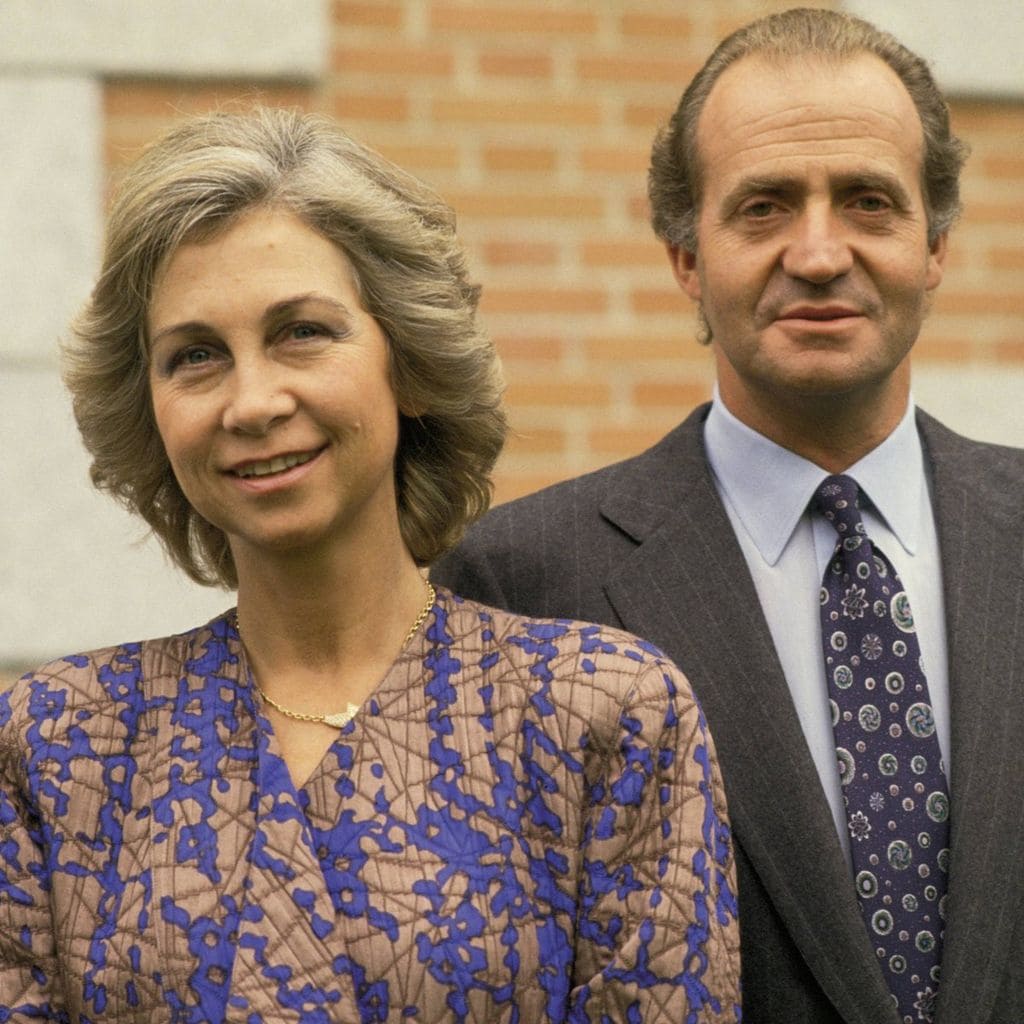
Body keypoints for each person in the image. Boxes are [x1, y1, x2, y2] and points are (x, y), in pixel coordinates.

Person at [0, 107, 741, 1021]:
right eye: (195, 357)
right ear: (148, 409)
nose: (253, 400)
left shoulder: (602, 715)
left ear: (411, 363)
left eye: (302, 332)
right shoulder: (54, 746)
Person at [433, 8, 1024, 1024]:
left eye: (869, 202)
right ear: (685, 260)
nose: (819, 249)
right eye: (762, 206)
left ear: (934, 247)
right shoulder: (519, 583)